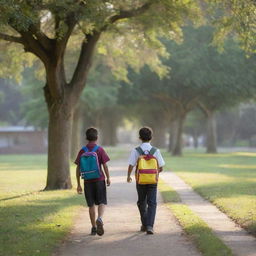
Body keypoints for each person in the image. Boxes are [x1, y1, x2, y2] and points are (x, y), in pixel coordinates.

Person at [127, 127, 165, 235]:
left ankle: (144, 224)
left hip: (140, 181)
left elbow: (131, 165)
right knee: (152, 203)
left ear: (139, 138)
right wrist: (154, 173)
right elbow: (161, 167)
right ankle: (150, 226)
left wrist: (128, 176)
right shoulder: (156, 151)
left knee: (141, 202)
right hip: (153, 181)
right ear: (151, 137)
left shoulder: (136, 150)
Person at [75, 127, 111, 236]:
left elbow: (78, 168)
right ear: (97, 137)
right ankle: (99, 218)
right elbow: (105, 165)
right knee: (102, 202)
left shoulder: (82, 150)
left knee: (91, 205)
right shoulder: (99, 149)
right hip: (99, 180)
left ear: (86, 138)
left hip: (87, 181)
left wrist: (78, 184)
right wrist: (108, 177)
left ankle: (93, 228)